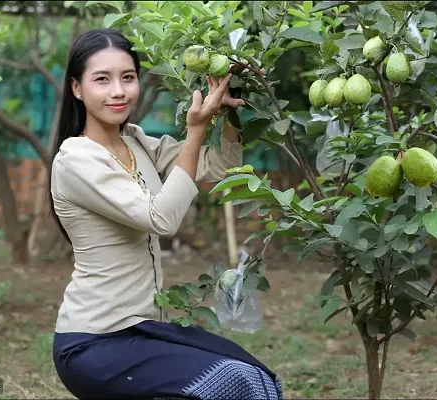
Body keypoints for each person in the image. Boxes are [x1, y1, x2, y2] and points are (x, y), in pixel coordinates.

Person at [48, 28, 282, 400]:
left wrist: (228, 113)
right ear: (77, 88)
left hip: (144, 331)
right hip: (94, 341)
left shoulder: (136, 141)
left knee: (259, 380)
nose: (119, 91)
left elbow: (217, 168)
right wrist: (195, 129)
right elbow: (161, 218)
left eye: (127, 77)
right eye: (102, 79)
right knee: (235, 385)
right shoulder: (76, 159)